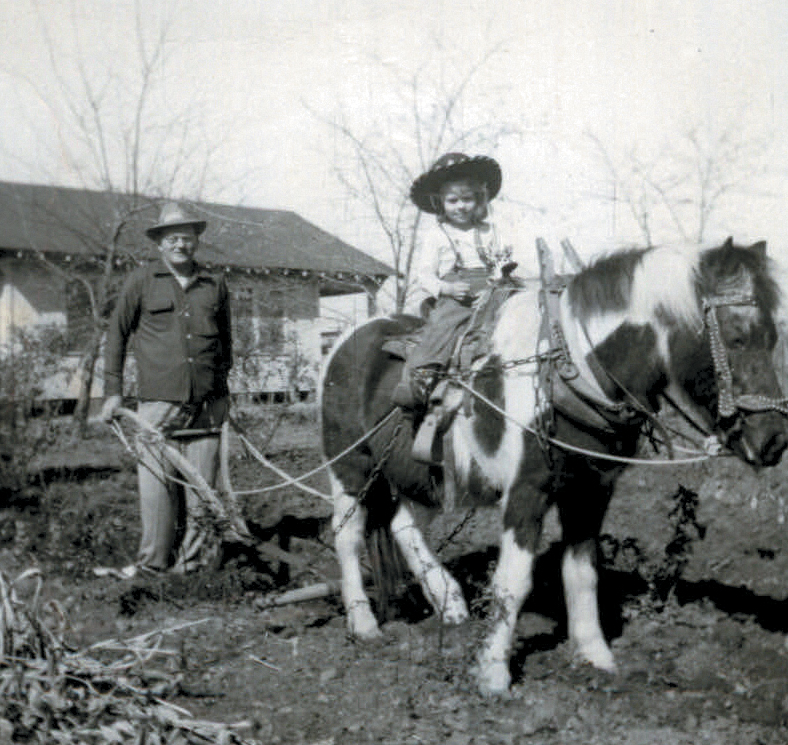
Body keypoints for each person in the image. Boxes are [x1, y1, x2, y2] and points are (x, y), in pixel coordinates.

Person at [100, 202, 233, 577]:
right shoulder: (141, 281)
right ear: (159, 243)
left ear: (196, 243)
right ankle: (153, 565)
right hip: (157, 402)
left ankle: (194, 569)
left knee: (203, 489)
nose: (180, 245)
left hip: (207, 403)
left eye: (187, 238)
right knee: (157, 488)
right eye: (172, 238)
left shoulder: (214, 285)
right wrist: (113, 391)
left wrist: (222, 392)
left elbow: (226, 343)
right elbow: (116, 335)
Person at [392, 152, 515, 412]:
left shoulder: (489, 230)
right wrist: (446, 288)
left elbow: (501, 262)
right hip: (457, 293)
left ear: (479, 199)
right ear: (440, 203)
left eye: (467, 199)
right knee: (444, 325)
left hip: (493, 287)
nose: (461, 206)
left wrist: (496, 285)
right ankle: (424, 372)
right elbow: (424, 275)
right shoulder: (436, 235)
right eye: (453, 201)